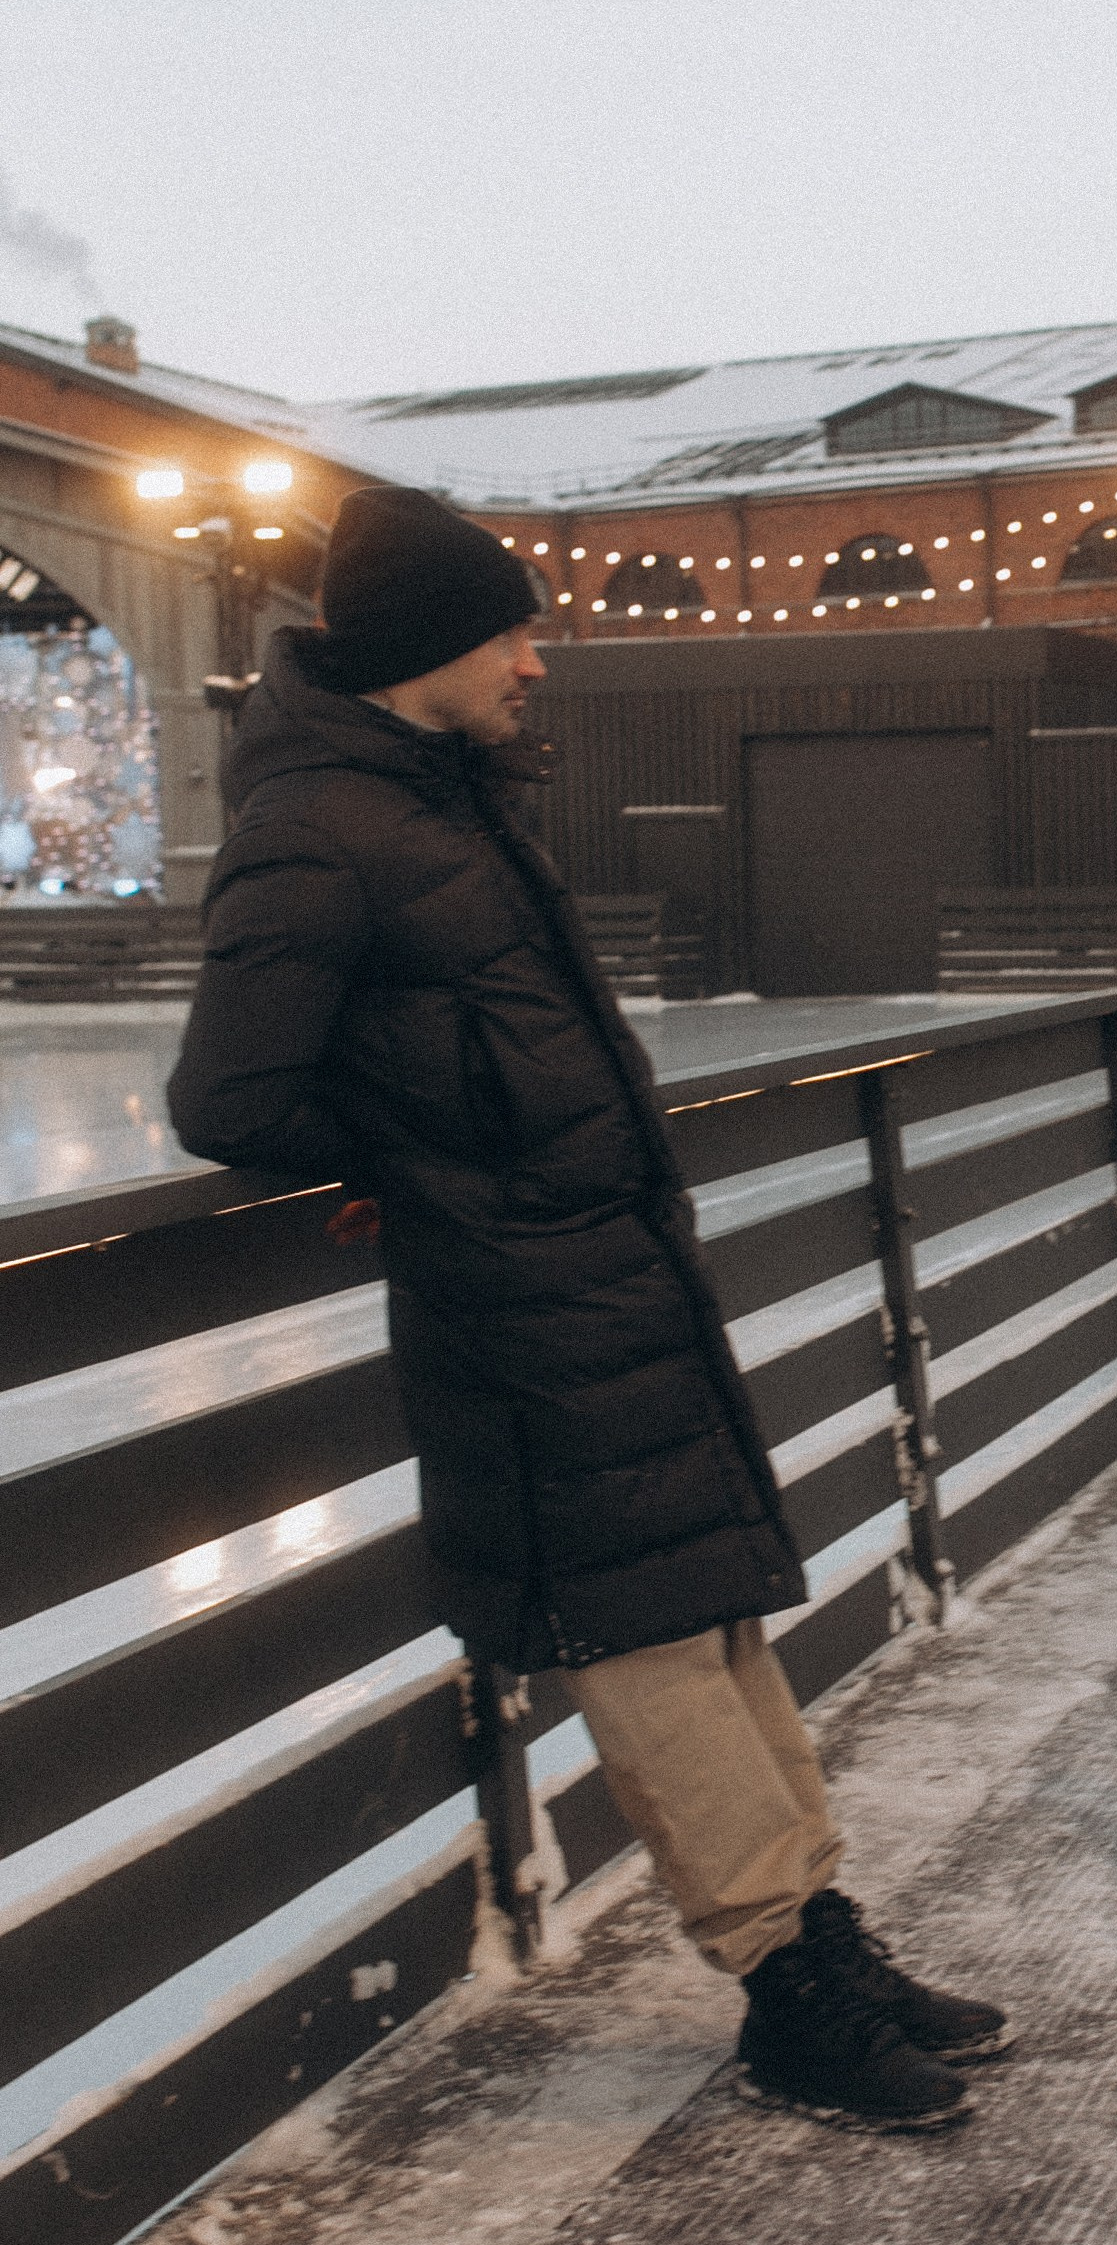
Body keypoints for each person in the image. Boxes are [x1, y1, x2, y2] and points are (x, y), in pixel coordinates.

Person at [169, 483, 1007, 2134]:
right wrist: (406, 1159)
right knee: (650, 1647)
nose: (535, 663)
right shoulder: (317, 825)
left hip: (612, 1277)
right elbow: (228, 1095)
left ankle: (817, 1929)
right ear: (424, 645)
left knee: (716, 1619)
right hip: (518, 1319)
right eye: (511, 633)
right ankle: (787, 1991)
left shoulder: (445, 802)